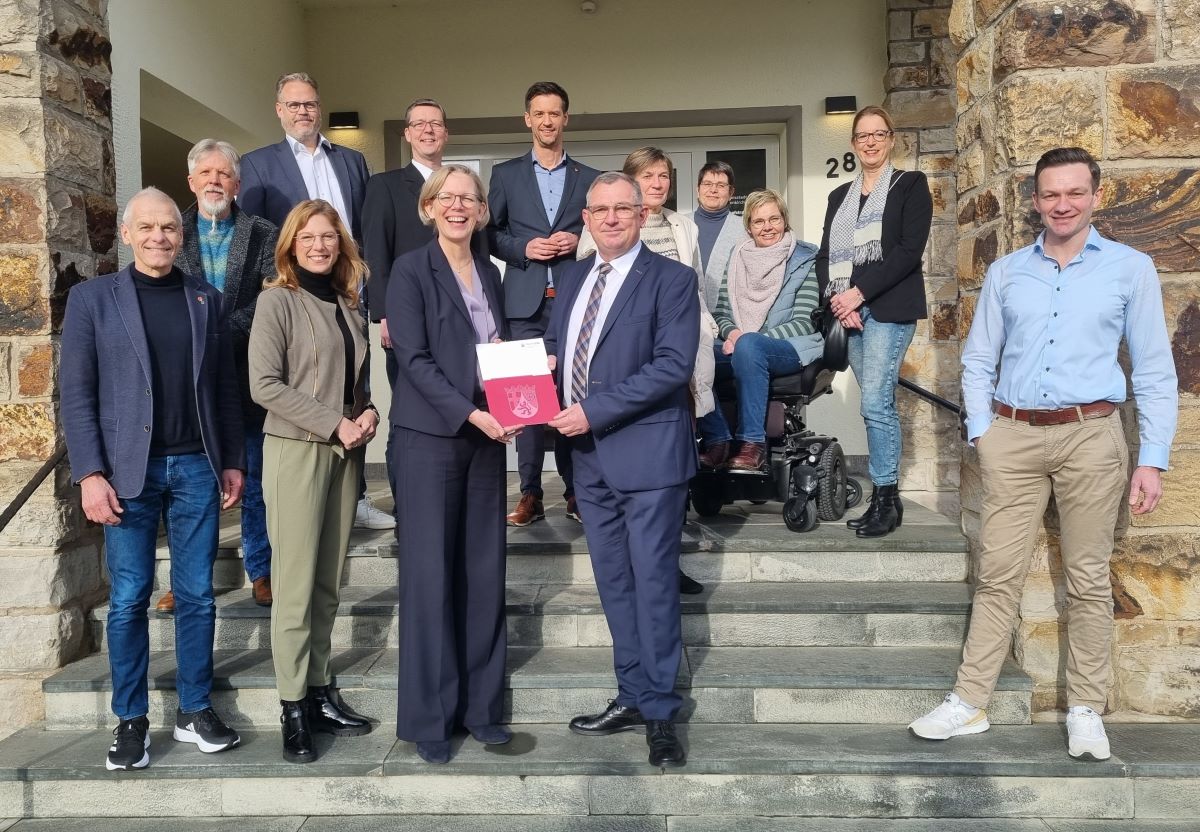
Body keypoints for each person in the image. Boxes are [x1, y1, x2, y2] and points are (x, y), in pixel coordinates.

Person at [909, 147, 1178, 761]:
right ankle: (970, 700)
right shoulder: (1007, 272)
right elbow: (979, 358)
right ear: (1035, 200)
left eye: (1075, 193)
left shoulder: (1129, 269)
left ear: (1096, 196)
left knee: (1087, 580)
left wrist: (1152, 457)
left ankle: (1086, 709)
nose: (1063, 205)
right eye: (1051, 194)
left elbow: (1155, 371)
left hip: (1092, 436)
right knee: (997, 575)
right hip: (1014, 436)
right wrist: (983, 431)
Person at [60, 187, 245, 770]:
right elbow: (77, 395)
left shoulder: (205, 299)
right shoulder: (93, 300)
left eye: (169, 227)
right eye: (148, 227)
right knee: (129, 598)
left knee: (196, 595)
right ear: (126, 233)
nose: (159, 237)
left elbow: (223, 389)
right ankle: (131, 720)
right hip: (125, 473)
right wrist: (90, 473)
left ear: (181, 234)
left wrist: (232, 458)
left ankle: (193, 708)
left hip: (196, 465)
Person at [546, 171, 700, 768]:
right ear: (585, 218)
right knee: (614, 583)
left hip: (649, 457)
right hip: (589, 461)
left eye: (622, 209)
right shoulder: (574, 276)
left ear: (641, 215)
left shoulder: (672, 280)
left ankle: (661, 710)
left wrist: (591, 410)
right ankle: (632, 693)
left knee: (654, 582)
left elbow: (670, 366)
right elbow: (566, 353)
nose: (610, 219)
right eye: (599, 210)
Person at [388, 165, 513, 765]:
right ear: (429, 206)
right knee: (431, 577)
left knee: (483, 573)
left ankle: (482, 708)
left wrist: (516, 404)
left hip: (488, 438)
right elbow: (412, 358)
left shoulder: (491, 272)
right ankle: (431, 717)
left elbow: (498, 352)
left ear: (483, 210)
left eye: (469, 198)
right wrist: (470, 412)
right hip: (432, 439)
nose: (459, 206)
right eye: (448, 197)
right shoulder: (410, 270)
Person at [249, 199, 378, 764]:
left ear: (341, 245)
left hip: (347, 454)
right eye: (309, 237)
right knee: (296, 587)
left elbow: (358, 385)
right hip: (297, 453)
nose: (320, 246)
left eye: (329, 237)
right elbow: (264, 385)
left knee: (327, 582)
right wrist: (335, 423)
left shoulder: (349, 305)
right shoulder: (276, 300)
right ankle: (293, 705)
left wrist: (369, 414)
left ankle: (321, 689)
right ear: (291, 245)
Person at [238, 72, 389, 531]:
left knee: (353, 386)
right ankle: (304, 498)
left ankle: (355, 494)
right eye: (294, 104)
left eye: (311, 104)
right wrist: (281, 288)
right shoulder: (258, 163)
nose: (304, 111)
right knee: (308, 384)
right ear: (279, 110)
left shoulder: (352, 161)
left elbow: (360, 233)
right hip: (295, 295)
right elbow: (256, 236)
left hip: (347, 293)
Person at [578, 146, 718, 594]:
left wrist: (709, 332)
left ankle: (662, 559)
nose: (658, 183)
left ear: (637, 211)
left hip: (676, 343)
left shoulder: (681, 229)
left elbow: (694, 284)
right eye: (649, 175)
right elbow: (585, 323)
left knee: (672, 448)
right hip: (613, 392)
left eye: (663, 176)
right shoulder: (583, 268)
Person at [155, 139, 279, 615]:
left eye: (223, 174)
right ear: (190, 182)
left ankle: (262, 570)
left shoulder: (263, 232)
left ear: (237, 183)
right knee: (195, 485)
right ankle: (187, 579)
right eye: (205, 173)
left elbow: (272, 294)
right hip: (187, 381)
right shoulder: (171, 231)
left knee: (252, 478)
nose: (214, 181)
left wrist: (220, 330)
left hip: (249, 371)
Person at [362, 98, 485, 510]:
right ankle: (407, 498)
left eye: (436, 124)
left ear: (446, 133)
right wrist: (383, 314)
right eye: (419, 124)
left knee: (464, 397)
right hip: (409, 316)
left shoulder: (465, 186)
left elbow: (478, 253)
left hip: (463, 319)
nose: (428, 130)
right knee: (412, 408)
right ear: (408, 134)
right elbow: (375, 253)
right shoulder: (385, 185)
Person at [816, 105, 932, 538]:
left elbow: (907, 251)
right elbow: (826, 255)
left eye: (878, 134)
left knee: (875, 403)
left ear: (890, 139)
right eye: (862, 135)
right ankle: (884, 499)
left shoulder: (910, 186)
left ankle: (887, 499)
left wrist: (858, 294)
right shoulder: (838, 198)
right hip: (851, 314)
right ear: (852, 144)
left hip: (886, 309)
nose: (870, 141)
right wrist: (838, 299)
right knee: (874, 404)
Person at [487, 81, 599, 527]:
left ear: (565, 119)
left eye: (556, 113)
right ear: (527, 119)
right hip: (524, 304)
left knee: (574, 395)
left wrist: (580, 240)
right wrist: (522, 249)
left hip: (574, 301)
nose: (548, 121)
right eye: (540, 113)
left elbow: (602, 231)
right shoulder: (506, 174)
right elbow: (489, 233)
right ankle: (530, 492)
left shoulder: (588, 178)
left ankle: (576, 491)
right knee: (525, 401)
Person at [697, 189, 824, 474]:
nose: (767, 227)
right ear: (749, 227)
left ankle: (752, 444)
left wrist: (749, 340)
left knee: (751, 346)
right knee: (692, 354)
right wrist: (732, 334)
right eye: (758, 222)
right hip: (742, 345)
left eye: (774, 219)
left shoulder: (804, 259)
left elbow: (804, 321)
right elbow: (721, 314)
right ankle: (718, 441)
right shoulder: (737, 258)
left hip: (791, 347)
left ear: (785, 220)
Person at [686, 160, 749, 313]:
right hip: (686, 312)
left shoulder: (745, 229)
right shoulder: (680, 224)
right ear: (698, 189)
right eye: (707, 184)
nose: (713, 190)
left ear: (731, 192)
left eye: (721, 185)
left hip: (730, 316)